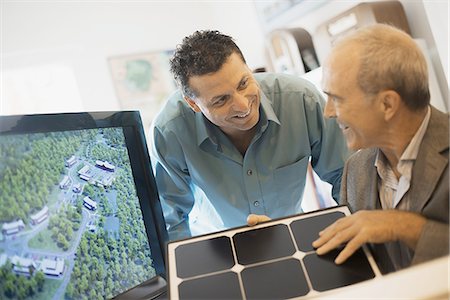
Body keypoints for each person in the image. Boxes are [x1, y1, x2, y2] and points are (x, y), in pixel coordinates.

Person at [150, 30, 349, 241]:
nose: (243, 105)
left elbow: (345, 178)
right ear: (193, 104)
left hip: (291, 238)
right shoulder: (169, 131)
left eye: (243, 84)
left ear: (249, 69)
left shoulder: (302, 101)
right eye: (221, 100)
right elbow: (170, 221)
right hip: (215, 252)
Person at [311, 24, 449, 273]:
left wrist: (403, 226)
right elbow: (351, 251)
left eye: (337, 99)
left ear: (387, 104)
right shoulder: (356, 168)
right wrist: (280, 236)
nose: (328, 112)